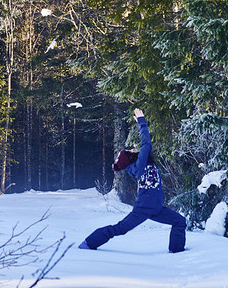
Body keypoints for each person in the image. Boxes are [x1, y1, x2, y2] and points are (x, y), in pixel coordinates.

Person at [79, 108, 186, 253]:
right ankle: (89, 243)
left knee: (179, 221)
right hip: (144, 207)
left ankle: (177, 252)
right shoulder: (140, 165)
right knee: (120, 229)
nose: (134, 150)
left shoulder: (143, 165)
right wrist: (142, 122)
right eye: (130, 151)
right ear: (130, 158)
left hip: (155, 208)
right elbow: (146, 144)